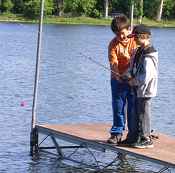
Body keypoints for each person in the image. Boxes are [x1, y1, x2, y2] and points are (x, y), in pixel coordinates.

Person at [107, 14, 137, 145]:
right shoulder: (113, 44)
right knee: (118, 106)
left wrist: (131, 76)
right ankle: (117, 132)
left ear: (129, 29)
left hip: (133, 79)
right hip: (117, 79)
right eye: (118, 34)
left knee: (132, 107)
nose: (121, 37)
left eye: (123, 33)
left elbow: (139, 61)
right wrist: (117, 75)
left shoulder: (136, 41)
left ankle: (133, 134)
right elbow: (113, 62)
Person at [128, 24, 158, 148]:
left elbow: (147, 76)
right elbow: (135, 68)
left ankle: (146, 139)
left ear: (143, 37)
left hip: (146, 90)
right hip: (139, 89)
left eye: (135, 37)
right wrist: (128, 75)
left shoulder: (149, 55)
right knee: (138, 113)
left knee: (144, 113)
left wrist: (134, 81)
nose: (133, 39)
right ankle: (137, 136)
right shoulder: (140, 51)